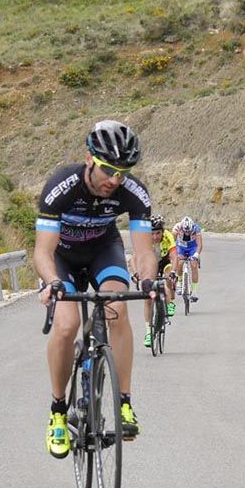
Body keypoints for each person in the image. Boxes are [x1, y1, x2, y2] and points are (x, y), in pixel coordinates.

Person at [34, 120, 159, 459]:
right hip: (63, 258)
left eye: (123, 172)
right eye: (108, 170)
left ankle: (124, 403)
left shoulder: (134, 192)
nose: (114, 180)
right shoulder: (61, 186)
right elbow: (43, 252)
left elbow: (145, 251)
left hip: (104, 249)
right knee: (66, 324)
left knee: (118, 308)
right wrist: (53, 282)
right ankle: (58, 411)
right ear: (89, 158)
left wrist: (148, 281)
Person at [129, 214, 177, 348]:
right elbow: (133, 259)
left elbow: (174, 256)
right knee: (148, 299)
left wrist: (173, 271)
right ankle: (148, 332)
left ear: (162, 231)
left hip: (164, 262)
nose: (155, 236)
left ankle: (168, 302)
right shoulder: (143, 239)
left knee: (168, 274)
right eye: (152, 234)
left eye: (158, 233)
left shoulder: (168, 236)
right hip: (150, 265)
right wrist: (135, 273)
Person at [172, 215, 203, 302]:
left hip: (192, 247)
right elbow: (172, 243)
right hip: (181, 247)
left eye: (189, 232)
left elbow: (199, 244)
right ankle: (180, 282)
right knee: (180, 262)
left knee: (194, 265)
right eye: (185, 232)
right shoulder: (177, 227)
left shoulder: (196, 228)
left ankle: (195, 292)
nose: (187, 233)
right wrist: (174, 254)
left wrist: (196, 255)